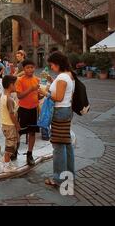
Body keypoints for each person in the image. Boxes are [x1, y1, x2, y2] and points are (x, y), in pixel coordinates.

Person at [44, 51, 76, 188]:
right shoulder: (69, 74)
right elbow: (68, 94)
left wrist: (44, 92)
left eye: (51, 65)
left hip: (60, 111)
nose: (51, 67)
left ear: (57, 64)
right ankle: (69, 175)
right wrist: (52, 82)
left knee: (58, 146)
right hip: (67, 110)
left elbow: (59, 97)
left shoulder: (62, 77)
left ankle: (58, 179)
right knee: (67, 143)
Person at [16, 59, 41, 166]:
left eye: (32, 67)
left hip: (34, 109)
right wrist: (31, 89)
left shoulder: (37, 80)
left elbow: (37, 95)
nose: (30, 69)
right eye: (27, 67)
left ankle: (29, 153)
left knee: (32, 132)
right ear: (24, 69)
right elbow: (19, 96)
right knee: (19, 132)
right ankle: (14, 150)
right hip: (23, 109)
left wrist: (41, 95)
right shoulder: (20, 80)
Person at [0, 75, 20, 172]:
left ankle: (6, 161)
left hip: (5, 124)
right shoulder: (9, 99)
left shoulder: (3, 96)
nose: (17, 86)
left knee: (9, 143)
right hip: (10, 125)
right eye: (15, 84)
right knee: (11, 146)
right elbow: (12, 115)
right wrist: (17, 125)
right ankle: (6, 165)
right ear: (11, 85)